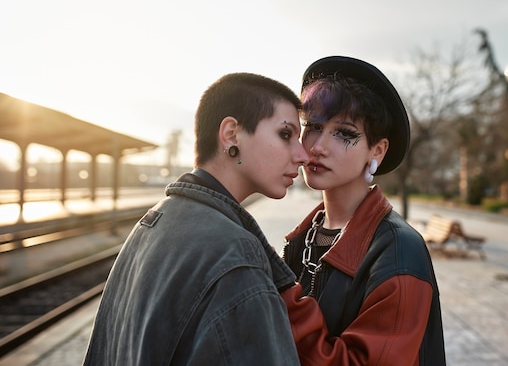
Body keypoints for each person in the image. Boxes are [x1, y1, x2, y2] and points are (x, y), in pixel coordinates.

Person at [83, 73, 308, 365]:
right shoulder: (235, 255)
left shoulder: (153, 223)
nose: (302, 155)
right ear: (231, 134)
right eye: (286, 134)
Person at [280, 56, 446, 365]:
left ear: (377, 150)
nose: (318, 146)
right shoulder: (302, 238)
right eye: (313, 127)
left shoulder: (398, 252)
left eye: (344, 133)